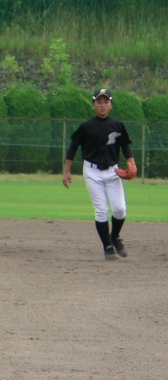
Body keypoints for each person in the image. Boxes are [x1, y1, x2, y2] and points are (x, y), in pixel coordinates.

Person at [63, 88, 137, 260]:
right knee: (102, 210)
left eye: (106, 102)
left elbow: (125, 145)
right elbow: (73, 147)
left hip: (113, 171)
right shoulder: (86, 126)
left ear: (111, 105)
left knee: (120, 209)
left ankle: (114, 236)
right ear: (93, 105)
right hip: (92, 172)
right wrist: (67, 171)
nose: (102, 105)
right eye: (99, 102)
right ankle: (108, 247)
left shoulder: (117, 125)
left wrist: (131, 163)